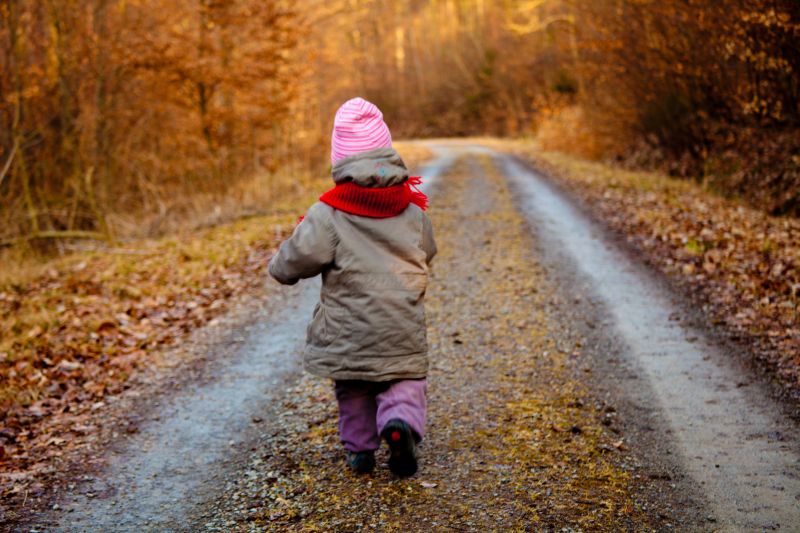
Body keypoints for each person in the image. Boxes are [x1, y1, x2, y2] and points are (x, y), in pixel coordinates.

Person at [268, 97, 436, 477]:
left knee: (354, 389)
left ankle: (360, 452)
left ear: (340, 159)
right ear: (388, 152)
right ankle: (400, 426)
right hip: (400, 329)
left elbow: (296, 257)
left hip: (348, 332)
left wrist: (278, 268)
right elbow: (428, 251)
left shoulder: (327, 213)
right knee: (405, 383)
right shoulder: (412, 210)